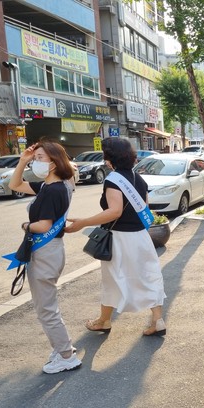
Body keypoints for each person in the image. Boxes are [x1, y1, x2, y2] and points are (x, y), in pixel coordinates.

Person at [65, 137, 167, 336]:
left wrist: (83, 222)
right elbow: (145, 210)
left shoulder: (113, 180)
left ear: (110, 158)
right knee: (149, 276)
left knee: (112, 279)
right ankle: (157, 320)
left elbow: (115, 211)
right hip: (141, 237)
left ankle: (104, 321)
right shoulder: (140, 179)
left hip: (120, 239)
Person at [8, 140, 81, 374]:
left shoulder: (53, 190)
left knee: (46, 308)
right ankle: (62, 347)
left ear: (53, 163)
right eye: (35, 157)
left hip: (45, 252)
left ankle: (66, 356)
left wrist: (25, 224)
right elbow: (15, 183)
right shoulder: (54, 186)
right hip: (51, 250)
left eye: (40, 158)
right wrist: (23, 160)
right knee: (49, 305)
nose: (35, 161)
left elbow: (43, 226)